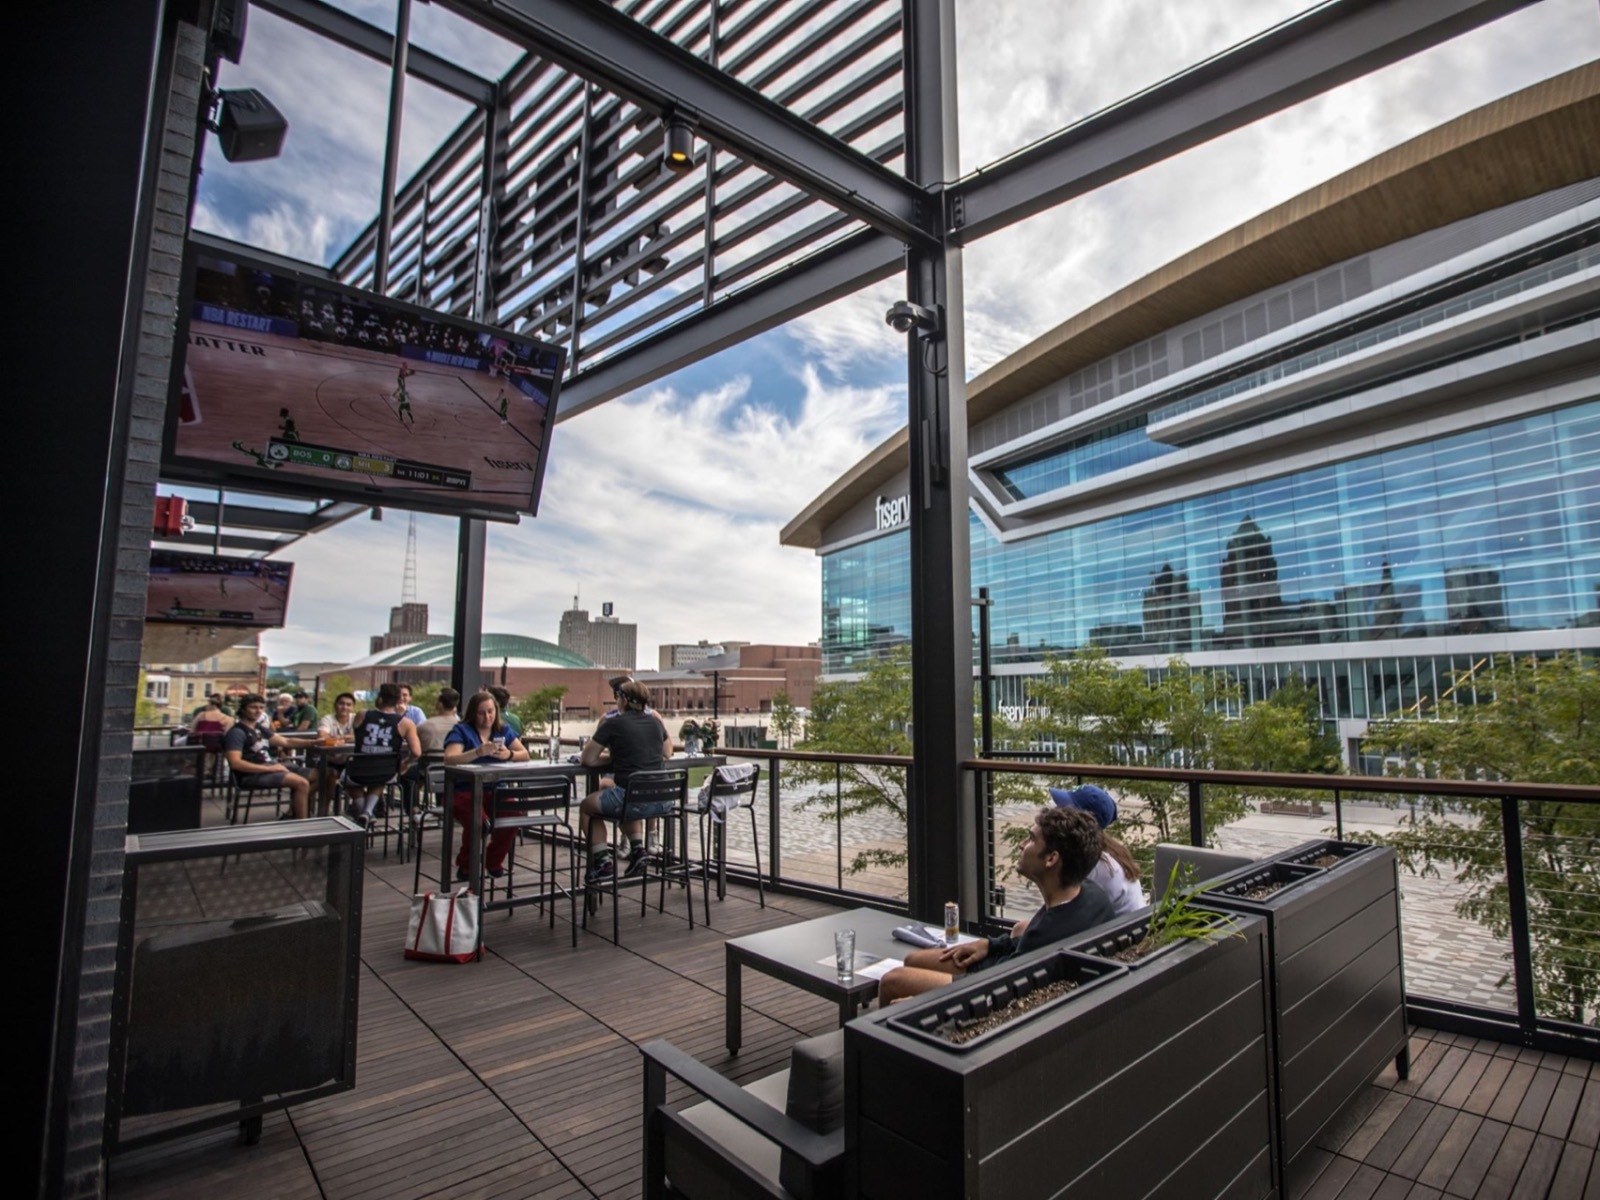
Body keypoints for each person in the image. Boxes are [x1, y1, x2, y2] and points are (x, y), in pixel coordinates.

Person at [876, 806, 1114, 1003]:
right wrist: (990, 945)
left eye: (1031, 839)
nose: (1022, 845)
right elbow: (1029, 944)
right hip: (1005, 968)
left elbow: (999, 991)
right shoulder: (1090, 896)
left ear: (1051, 859)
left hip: (990, 987)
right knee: (914, 960)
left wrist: (923, 1005)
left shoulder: (1046, 933)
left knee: (893, 980)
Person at [579, 679, 672, 882]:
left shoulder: (613, 723)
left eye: (618, 697)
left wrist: (613, 757)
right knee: (629, 799)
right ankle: (638, 850)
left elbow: (587, 758)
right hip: (663, 802)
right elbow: (668, 751)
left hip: (632, 798)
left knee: (588, 806)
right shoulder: (656, 722)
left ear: (623, 700)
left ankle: (603, 861)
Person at [442, 690, 529, 880]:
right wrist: (476, 752)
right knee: (478, 821)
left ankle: (493, 860)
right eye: (482, 713)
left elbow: (525, 754)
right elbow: (449, 759)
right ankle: (466, 865)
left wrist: (509, 755)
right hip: (465, 789)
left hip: (495, 787)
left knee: (514, 814)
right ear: (473, 713)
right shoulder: (461, 730)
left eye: (490, 711)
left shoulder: (503, 730)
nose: (487, 717)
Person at [1049, 784, 1146, 915]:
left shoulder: (1095, 864)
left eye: (1065, 811)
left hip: (1110, 933)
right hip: (1125, 930)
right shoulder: (1108, 851)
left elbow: (1068, 916)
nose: (1056, 812)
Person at [223, 693, 318, 820]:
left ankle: (293, 812)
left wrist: (312, 742)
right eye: (253, 707)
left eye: (261, 707)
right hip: (251, 775)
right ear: (243, 709)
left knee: (322, 775)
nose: (258, 711)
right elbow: (235, 763)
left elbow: (285, 741)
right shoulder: (237, 732)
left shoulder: (258, 728)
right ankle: (301, 824)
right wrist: (270, 769)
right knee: (301, 783)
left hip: (271, 766)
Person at [343, 683, 421, 825]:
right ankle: (367, 812)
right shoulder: (406, 723)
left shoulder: (362, 715)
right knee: (380, 778)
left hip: (358, 770)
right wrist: (406, 763)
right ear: (399, 701)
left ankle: (364, 811)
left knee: (346, 778)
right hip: (386, 772)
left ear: (379, 698)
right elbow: (416, 752)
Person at [416, 687, 460, 755]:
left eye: (436, 700)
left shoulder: (423, 726)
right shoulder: (463, 726)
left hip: (428, 763)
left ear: (440, 705)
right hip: (454, 763)